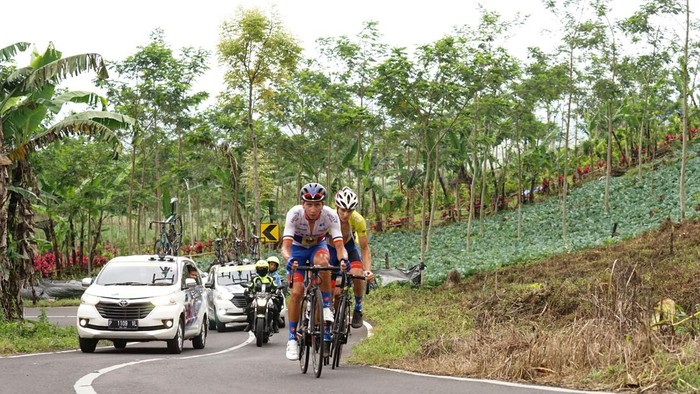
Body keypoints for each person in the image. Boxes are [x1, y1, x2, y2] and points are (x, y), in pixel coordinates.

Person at [281, 182, 348, 361]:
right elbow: (285, 247)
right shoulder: (294, 214)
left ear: (323, 205)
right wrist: (289, 260)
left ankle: (326, 306)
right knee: (296, 292)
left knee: (323, 263)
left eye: (317, 205)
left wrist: (343, 260)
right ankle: (292, 339)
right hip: (297, 249)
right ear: (302, 204)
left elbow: (340, 246)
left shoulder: (330, 216)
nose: (312, 209)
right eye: (309, 204)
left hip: (318, 246)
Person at [328, 186, 375, 329]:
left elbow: (365, 247)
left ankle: (358, 307)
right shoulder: (328, 216)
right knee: (333, 293)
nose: (346, 214)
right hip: (330, 249)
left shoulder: (358, 220)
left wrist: (367, 270)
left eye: (350, 211)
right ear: (336, 206)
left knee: (357, 274)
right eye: (343, 210)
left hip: (349, 247)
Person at [243, 260, 280, 333]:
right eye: (259, 268)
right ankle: (250, 324)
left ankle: (275, 324)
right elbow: (250, 286)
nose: (261, 270)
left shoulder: (270, 278)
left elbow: (275, 286)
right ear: (257, 269)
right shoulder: (255, 278)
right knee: (248, 308)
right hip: (257, 297)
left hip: (267, 297)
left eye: (263, 268)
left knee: (275, 308)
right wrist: (247, 289)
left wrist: (277, 291)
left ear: (266, 269)